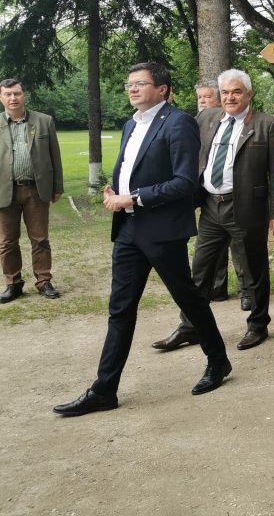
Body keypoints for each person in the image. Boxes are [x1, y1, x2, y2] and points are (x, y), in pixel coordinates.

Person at [54, 63, 231, 416]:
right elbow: (133, 169)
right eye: (129, 84)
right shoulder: (130, 124)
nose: (132, 89)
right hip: (128, 230)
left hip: (162, 231)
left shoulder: (179, 123)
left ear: (162, 89)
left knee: (189, 299)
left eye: (140, 83)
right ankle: (104, 390)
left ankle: (218, 360)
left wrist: (132, 197)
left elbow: (185, 183)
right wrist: (116, 191)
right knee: (120, 308)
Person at [152, 69, 274, 352]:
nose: (230, 97)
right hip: (211, 206)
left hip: (245, 208)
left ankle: (258, 325)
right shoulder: (208, 118)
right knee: (200, 270)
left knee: (253, 268)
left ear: (249, 94)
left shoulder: (266, 124)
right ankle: (190, 327)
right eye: (225, 92)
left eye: (236, 91)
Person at [0, 78, 63, 303]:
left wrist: (58, 187)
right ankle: (13, 284)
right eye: (8, 94)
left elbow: (55, 156)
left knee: (40, 239)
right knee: (7, 242)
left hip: (36, 190)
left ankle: (44, 281)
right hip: (4, 191)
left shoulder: (44, 121)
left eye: (17, 93)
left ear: (24, 95)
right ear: (1, 98)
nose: (13, 98)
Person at [194, 80, 234, 303]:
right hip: (208, 194)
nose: (202, 101)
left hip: (233, 195)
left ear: (219, 101)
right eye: (199, 97)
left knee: (237, 247)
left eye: (207, 97)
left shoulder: (233, 122)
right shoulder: (198, 122)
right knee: (210, 246)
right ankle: (217, 288)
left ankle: (248, 292)